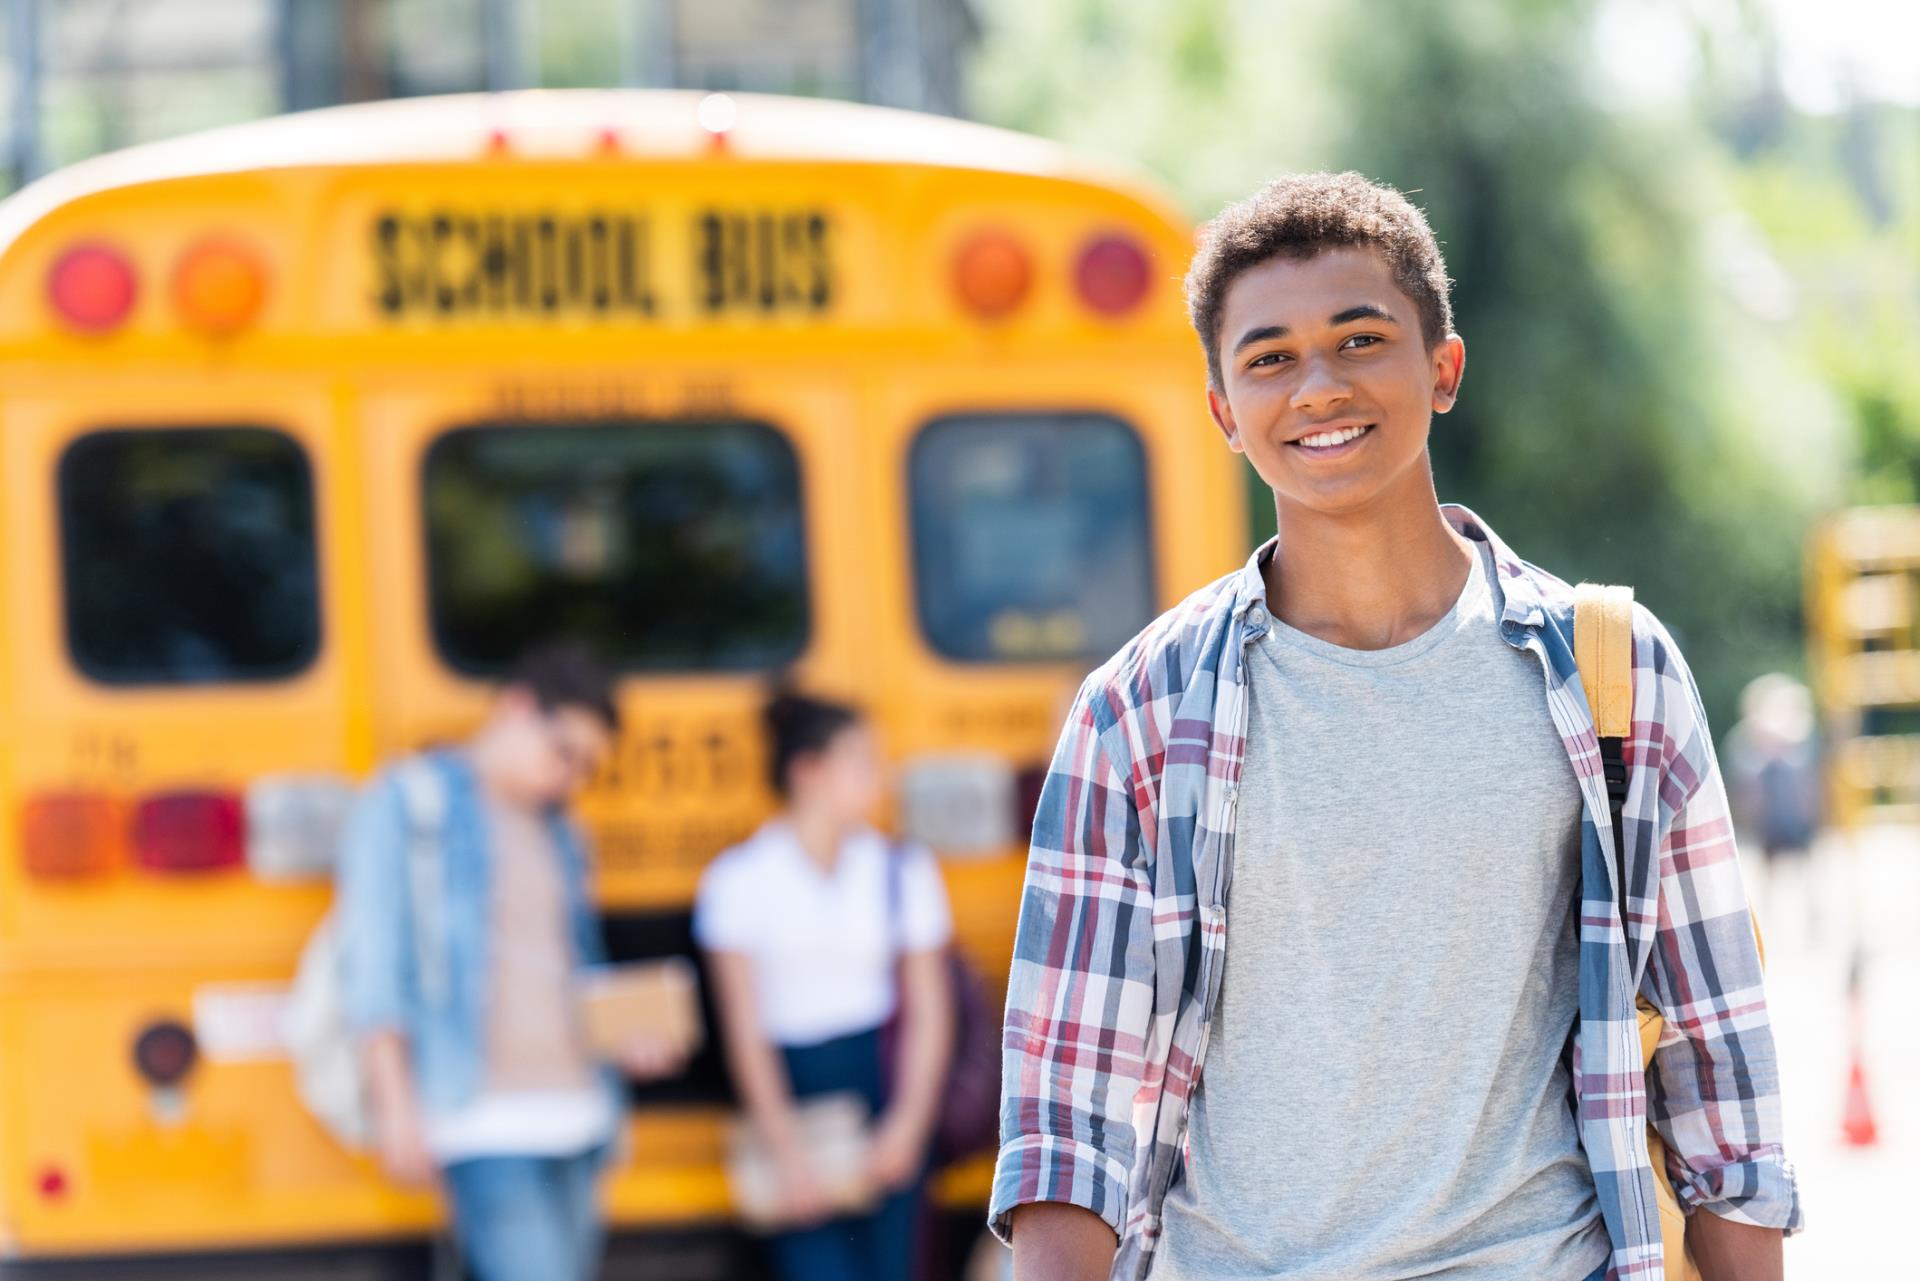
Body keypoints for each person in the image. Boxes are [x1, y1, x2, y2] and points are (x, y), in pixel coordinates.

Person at [989, 172, 1804, 1281]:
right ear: (1225, 412)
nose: (1317, 386)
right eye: (1268, 358)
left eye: (1359, 340)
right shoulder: (1138, 711)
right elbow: (1066, 1117)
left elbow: (1718, 1062)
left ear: (1443, 369)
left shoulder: (1614, 670)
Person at [336, 640, 690, 1281]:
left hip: (581, 1114)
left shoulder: (561, 831)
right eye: (566, 754)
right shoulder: (408, 804)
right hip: (481, 1118)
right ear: (518, 707)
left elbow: (570, 964)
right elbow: (375, 971)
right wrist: (396, 1109)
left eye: (587, 768)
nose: (571, 778)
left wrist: (628, 1033)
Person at [695, 688, 955, 1281]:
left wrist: (908, 1126)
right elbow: (744, 1028)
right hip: (792, 1099)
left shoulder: (901, 869)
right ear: (807, 770)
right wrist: (787, 1155)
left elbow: (929, 1011)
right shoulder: (738, 880)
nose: (879, 780)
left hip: (884, 1089)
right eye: (862, 761)